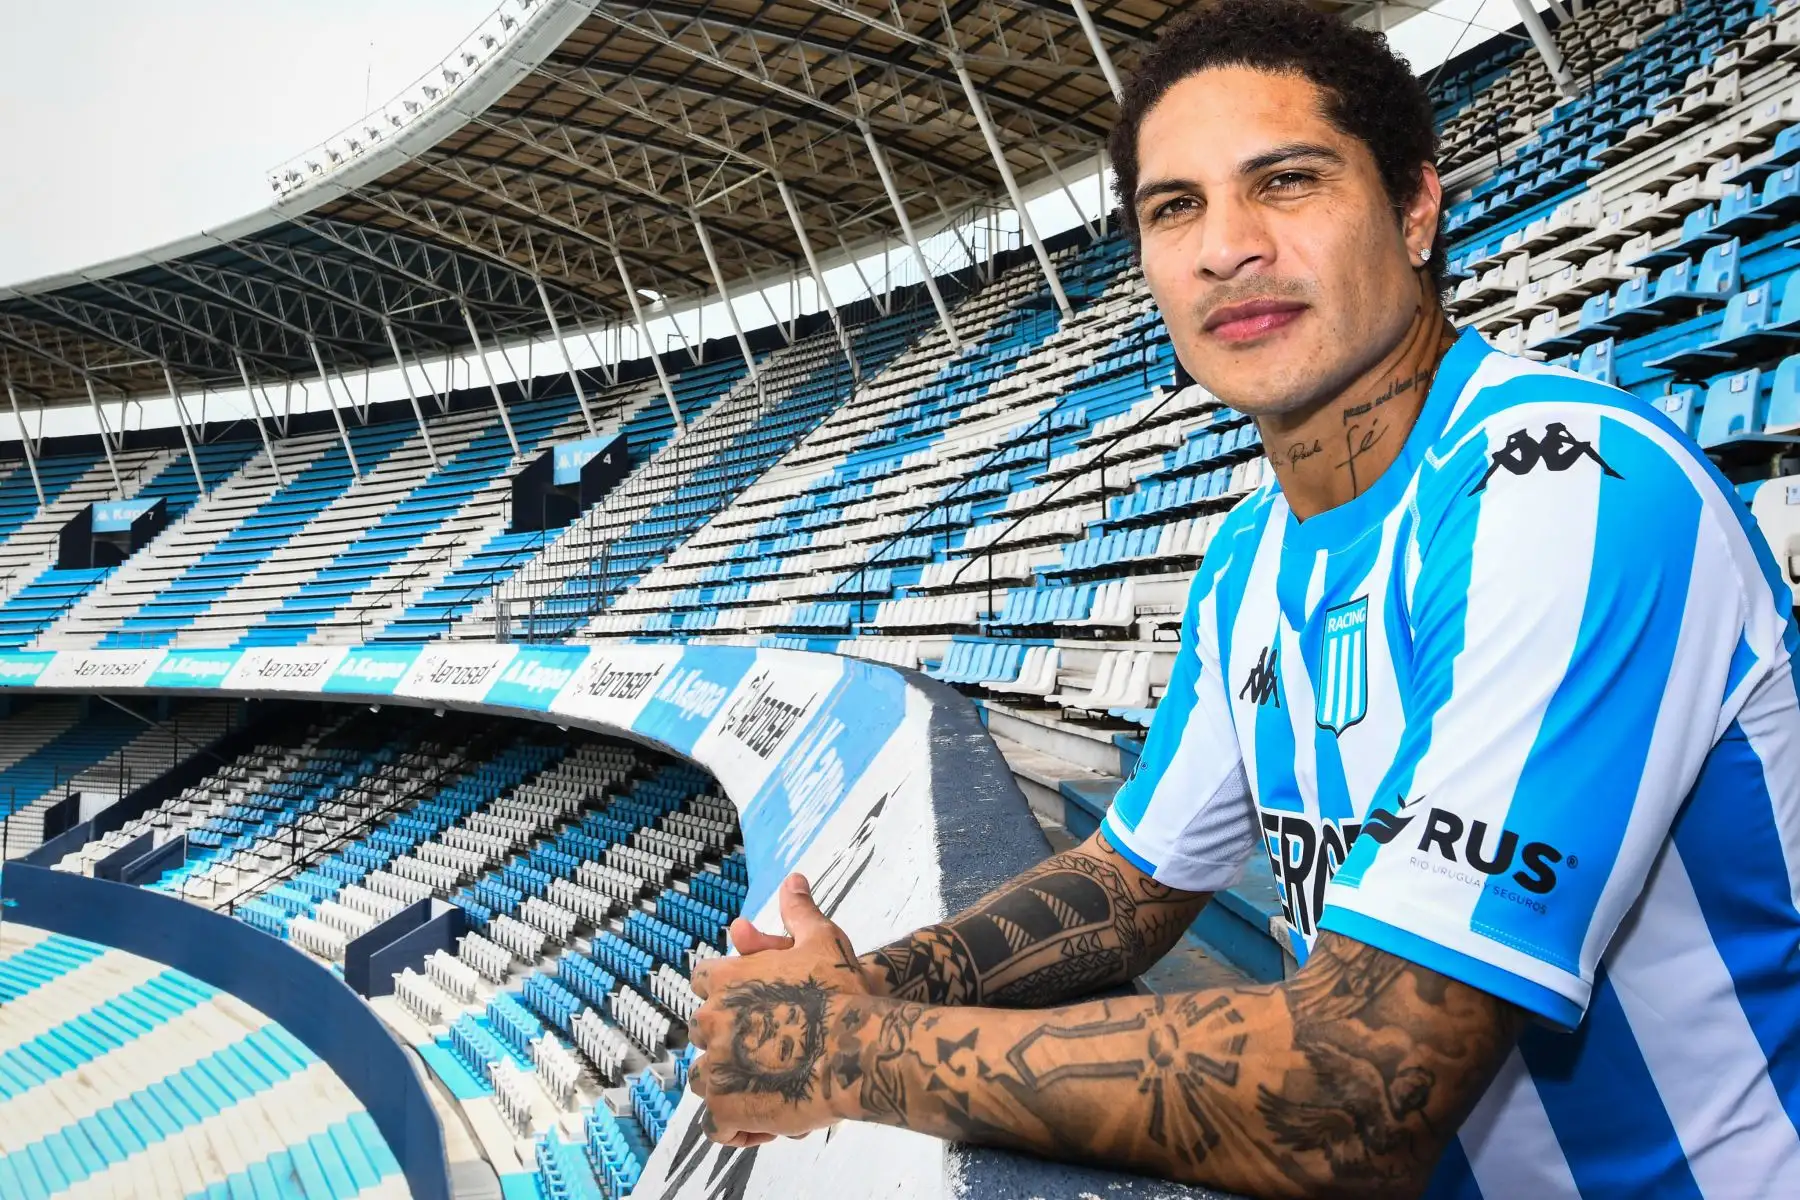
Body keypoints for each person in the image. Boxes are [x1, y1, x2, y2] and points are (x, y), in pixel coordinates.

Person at [686, 1, 1800, 1195]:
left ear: (1417, 208)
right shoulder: (1252, 556)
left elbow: (1355, 1091)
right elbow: (1131, 883)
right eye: (1177, 209)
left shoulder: (1572, 487)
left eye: (1287, 182)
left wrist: (846, 1051)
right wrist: (870, 984)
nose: (1227, 247)